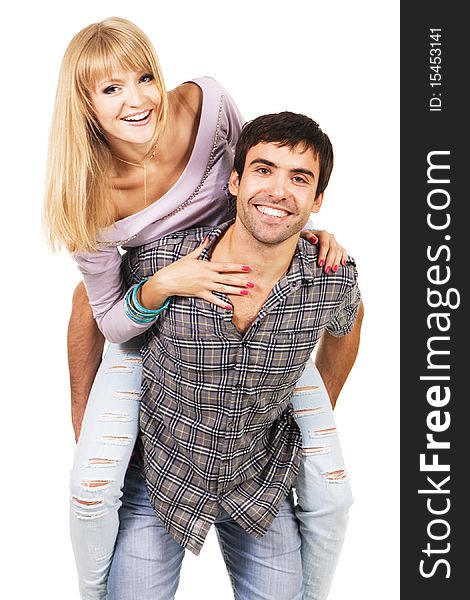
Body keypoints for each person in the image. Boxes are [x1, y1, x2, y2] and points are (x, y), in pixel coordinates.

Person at [43, 17, 353, 600]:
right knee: (92, 486)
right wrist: (162, 285)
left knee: (334, 490)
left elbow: (263, 173)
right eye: (110, 89)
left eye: (144, 77)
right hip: (155, 322)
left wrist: (312, 234)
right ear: (84, 104)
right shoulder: (85, 193)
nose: (137, 101)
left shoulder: (207, 103)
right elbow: (103, 313)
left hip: (253, 298)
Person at [105, 111, 364, 600]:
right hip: (162, 478)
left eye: (299, 178)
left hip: (257, 483)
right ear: (235, 180)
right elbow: (90, 303)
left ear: (318, 200)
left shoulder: (331, 277)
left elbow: (349, 323)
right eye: (264, 170)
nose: (278, 191)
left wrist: (321, 405)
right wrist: (83, 420)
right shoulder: (168, 258)